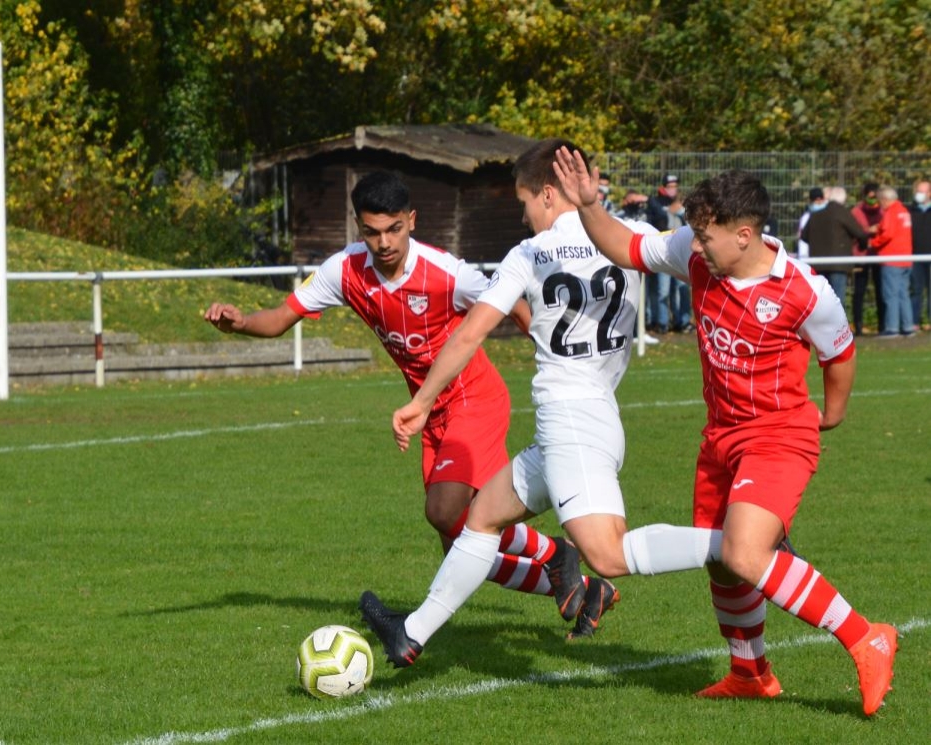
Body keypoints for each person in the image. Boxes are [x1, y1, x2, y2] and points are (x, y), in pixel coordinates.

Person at [553, 148, 898, 716]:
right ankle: (749, 673)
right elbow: (626, 246)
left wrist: (832, 414)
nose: (696, 245)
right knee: (719, 557)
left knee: (742, 552)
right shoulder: (696, 253)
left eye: (706, 236)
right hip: (720, 436)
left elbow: (839, 354)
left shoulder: (805, 290)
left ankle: (867, 637)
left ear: (744, 235)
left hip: (779, 435)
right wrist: (590, 205)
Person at [359, 140, 731, 667]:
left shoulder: (529, 254)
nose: (524, 215)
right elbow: (700, 244)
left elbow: (469, 333)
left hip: (571, 421)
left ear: (549, 193)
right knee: (482, 516)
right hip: (587, 416)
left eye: (525, 201)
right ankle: (411, 633)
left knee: (607, 554)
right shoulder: (630, 236)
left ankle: (736, 545)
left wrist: (421, 400)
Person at [203, 170, 603, 632]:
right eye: (372, 232)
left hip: (474, 397)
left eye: (394, 229)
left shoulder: (446, 272)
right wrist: (240, 323)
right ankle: (582, 588)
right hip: (429, 412)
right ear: (359, 227)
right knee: (459, 546)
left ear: (412, 220)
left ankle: (555, 553)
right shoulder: (344, 271)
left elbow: (512, 304)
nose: (384, 242)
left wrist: (556, 356)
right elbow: (279, 318)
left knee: (445, 511)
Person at [800, 186, 869, 306]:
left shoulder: (816, 214)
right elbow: (860, 234)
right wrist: (862, 247)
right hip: (838, 264)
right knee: (837, 301)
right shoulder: (843, 213)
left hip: (818, 264)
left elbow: (804, 236)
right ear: (844, 199)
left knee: (821, 301)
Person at [647, 173, 692, 332]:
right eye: (670, 186)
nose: (673, 189)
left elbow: (692, 224)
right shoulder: (655, 202)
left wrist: (681, 211)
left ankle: (682, 322)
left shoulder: (683, 203)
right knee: (663, 290)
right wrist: (669, 212)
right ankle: (662, 323)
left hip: (681, 252)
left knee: (681, 290)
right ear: (663, 187)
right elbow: (656, 222)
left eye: (675, 186)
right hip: (664, 252)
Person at [872, 186, 916, 337]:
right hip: (906, 258)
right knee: (904, 294)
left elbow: (887, 234)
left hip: (892, 258)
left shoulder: (891, 212)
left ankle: (892, 327)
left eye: (880, 201)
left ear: (885, 199)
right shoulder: (903, 211)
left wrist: (874, 242)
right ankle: (908, 326)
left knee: (891, 295)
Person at [850, 183, 885, 334]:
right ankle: (858, 326)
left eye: (874, 196)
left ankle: (883, 325)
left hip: (879, 255)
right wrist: (867, 231)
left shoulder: (884, 210)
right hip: (861, 256)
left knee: (881, 291)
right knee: (859, 291)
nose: (872, 200)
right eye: (869, 196)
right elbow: (852, 232)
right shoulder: (856, 212)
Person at [905, 180, 931, 330]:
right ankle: (914, 322)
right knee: (916, 290)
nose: (919, 194)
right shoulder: (910, 211)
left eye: (922, 191)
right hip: (914, 257)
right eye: (918, 191)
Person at [795, 187, 826, 260]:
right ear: (811, 201)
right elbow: (802, 241)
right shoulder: (806, 218)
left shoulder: (828, 215)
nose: (818, 203)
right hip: (809, 256)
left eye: (820, 201)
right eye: (816, 201)